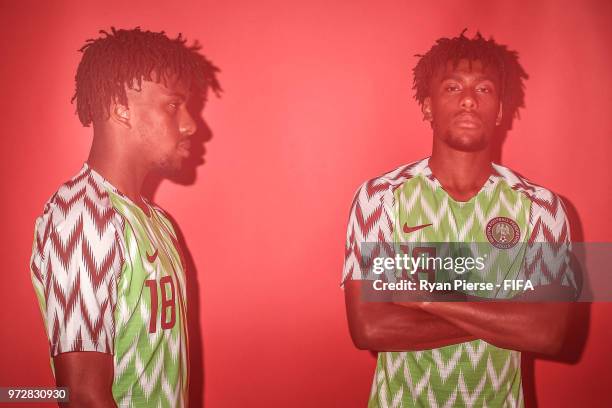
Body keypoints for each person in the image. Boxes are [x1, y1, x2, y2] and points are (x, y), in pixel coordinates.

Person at [342, 31, 575, 407]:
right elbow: (370, 327)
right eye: (452, 87)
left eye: (484, 89)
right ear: (428, 106)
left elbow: (547, 332)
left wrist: (425, 298)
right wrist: (504, 312)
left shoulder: (544, 207)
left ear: (499, 109)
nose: (468, 99)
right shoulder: (378, 198)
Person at [30, 27, 221, 407]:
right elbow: (83, 396)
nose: (190, 124)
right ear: (121, 108)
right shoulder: (83, 218)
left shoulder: (157, 221)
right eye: (172, 105)